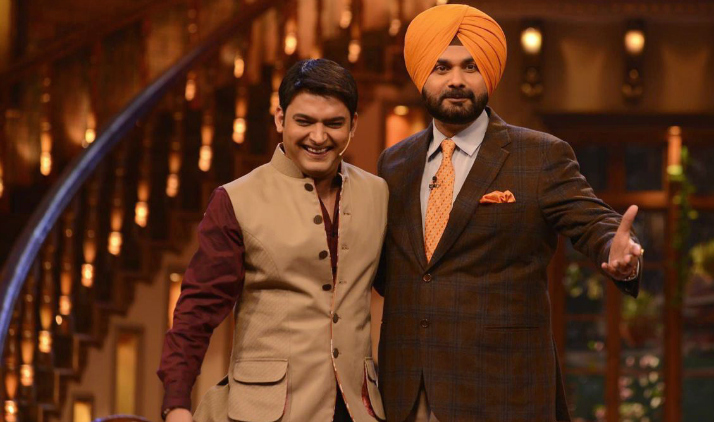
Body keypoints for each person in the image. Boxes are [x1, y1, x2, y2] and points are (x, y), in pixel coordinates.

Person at [375, 4, 643, 421]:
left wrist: (616, 250)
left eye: (471, 66)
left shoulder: (539, 155)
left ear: (489, 74)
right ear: (421, 74)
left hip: (502, 390)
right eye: (442, 67)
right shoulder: (394, 163)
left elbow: (593, 222)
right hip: (409, 390)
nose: (457, 81)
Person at [158, 58, 387, 422]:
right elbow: (197, 311)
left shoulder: (377, 193)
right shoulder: (237, 199)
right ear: (280, 119)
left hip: (357, 410)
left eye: (333, 123)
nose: (318, 137)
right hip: (267, 411)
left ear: (353, 124)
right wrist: (176, 403)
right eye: (304, 121)